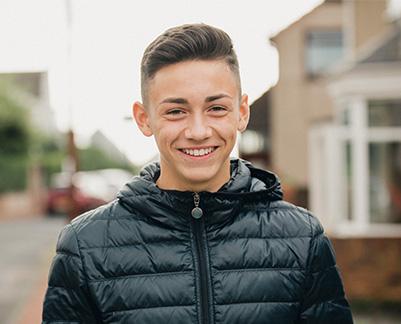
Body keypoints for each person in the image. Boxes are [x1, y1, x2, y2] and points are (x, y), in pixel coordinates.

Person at [42, 23, 353, 323]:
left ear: (241, 113)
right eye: (176, 111)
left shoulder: (302, 237)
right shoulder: (85, 247)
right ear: (143, 118)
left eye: (216, 108)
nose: (198, 131)